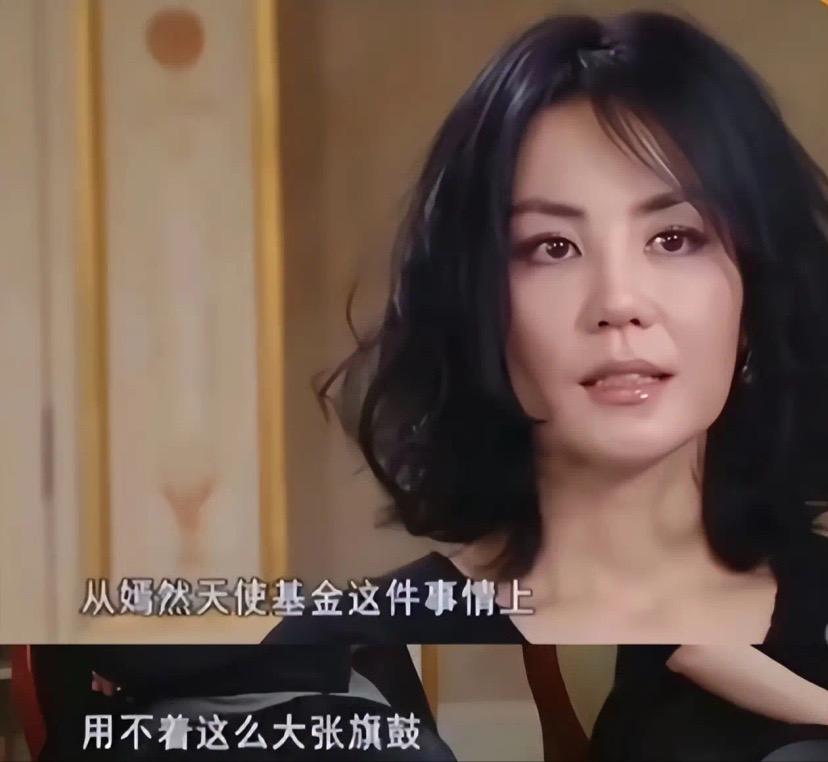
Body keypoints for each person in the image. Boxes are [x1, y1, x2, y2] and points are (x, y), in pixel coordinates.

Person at [266, 9, 828, 647]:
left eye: (674, 238)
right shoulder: (343, 652)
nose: (619, 302)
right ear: (480, 303)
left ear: (757, 289)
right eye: (553, 247)